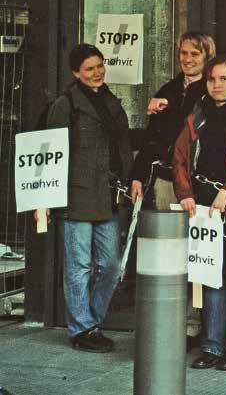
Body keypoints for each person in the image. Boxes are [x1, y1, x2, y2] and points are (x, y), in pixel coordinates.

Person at [46, 44, 133, 352]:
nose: (97, 72)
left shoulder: (110, 100)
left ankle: (90, 322)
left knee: (111, 265)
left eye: (99, 65)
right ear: (75, 73)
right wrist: (46, 201)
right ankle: (83, 329)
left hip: (108, 195)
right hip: (77, 196)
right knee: (79, 266)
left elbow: (122, 145)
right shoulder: (65, 104)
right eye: (89, 68)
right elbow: (51, 153)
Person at [172, 55, 226, 371]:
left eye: (224, 79)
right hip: (203, 205)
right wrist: (185, 194)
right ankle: (212, 345)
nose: (217, 85)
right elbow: (179, 155)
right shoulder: (198, 112)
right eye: (212, 79)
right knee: (210, 275)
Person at [130, 32, 214, 207]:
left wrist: (170, 105)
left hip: (201, 183)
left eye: (195, 54)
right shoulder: (167, 90)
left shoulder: (213, 91)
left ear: (207, 57)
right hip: (165, 181)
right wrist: (138, 176)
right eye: (184, 53)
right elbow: (150, 138)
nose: (188, 59)